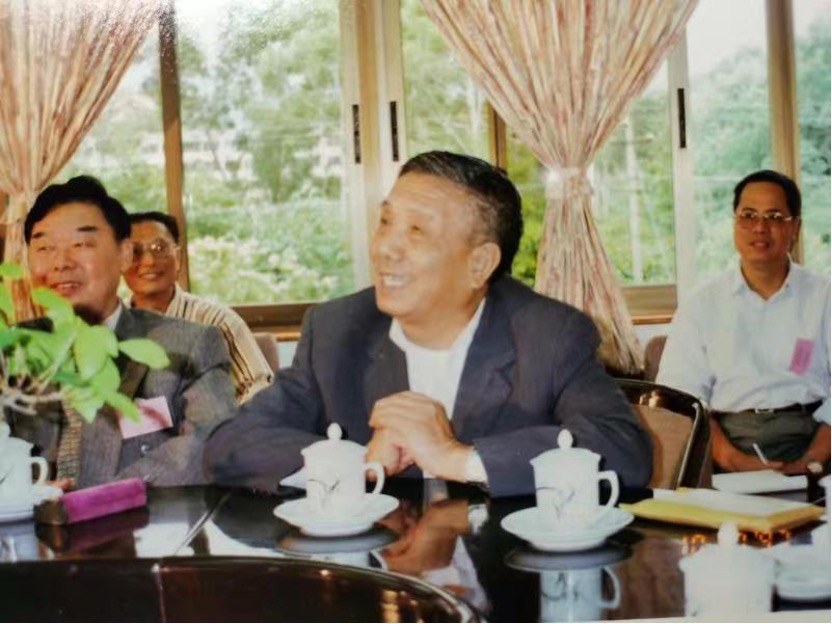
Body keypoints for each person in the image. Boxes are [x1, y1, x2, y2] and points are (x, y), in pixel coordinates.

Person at [205, 151, 652, 497]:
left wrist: (457, 458)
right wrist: (355, 463)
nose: (385, 248)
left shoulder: (549, 334)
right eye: (386, 222)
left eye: (416, 231)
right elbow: (231, 444)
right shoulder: (338, 330)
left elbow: (623, 449)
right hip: (378, 575)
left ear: (480, 264)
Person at [11, 176, 237, 488]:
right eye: (44, 247)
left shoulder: (188, 346)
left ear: (125, 255)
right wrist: (21, 494)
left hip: (141, 519)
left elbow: (212, 442)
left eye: (81, 244)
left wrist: (92, 501)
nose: (60, 263)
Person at [657, 170, 830, 473]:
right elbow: (679, 395)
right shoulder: (702, 304)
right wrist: (730, 459)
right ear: (735, 224)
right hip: (725, 445)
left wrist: (814, 458)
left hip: (815, 439)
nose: (760, 227)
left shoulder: (825, 296)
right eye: (748, 216)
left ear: (795, 228)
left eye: (774, 216)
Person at [124, 211, 273, 403]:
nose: (149, 261)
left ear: (178, 257)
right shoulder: (109, 327)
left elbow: (260, 392)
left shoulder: (217, 322)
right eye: (135, 251)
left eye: (159, 248)